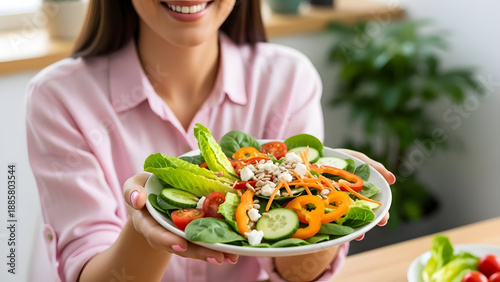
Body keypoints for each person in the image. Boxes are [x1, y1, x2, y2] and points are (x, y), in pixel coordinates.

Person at [26, 0, 395, 281]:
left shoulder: (288, 79)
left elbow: (296, 271)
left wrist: (321, 196)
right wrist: (147, 225)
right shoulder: (59, 97)